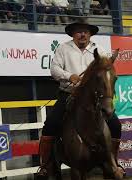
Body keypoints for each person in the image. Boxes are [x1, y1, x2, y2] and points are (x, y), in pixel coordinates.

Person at [35, 18, 125, 179]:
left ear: (90, 34)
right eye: (79, 31)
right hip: (69, 93)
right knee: (51, 124)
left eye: (86, 31)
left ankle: (114, 163)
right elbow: (54, 70)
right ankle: (45, 165)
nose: (82, 34)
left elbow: (107, 69)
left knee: (116, 125)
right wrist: (70, 76)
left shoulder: (100, 50)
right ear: (73, 34)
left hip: (93, 99)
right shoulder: (63, 48)